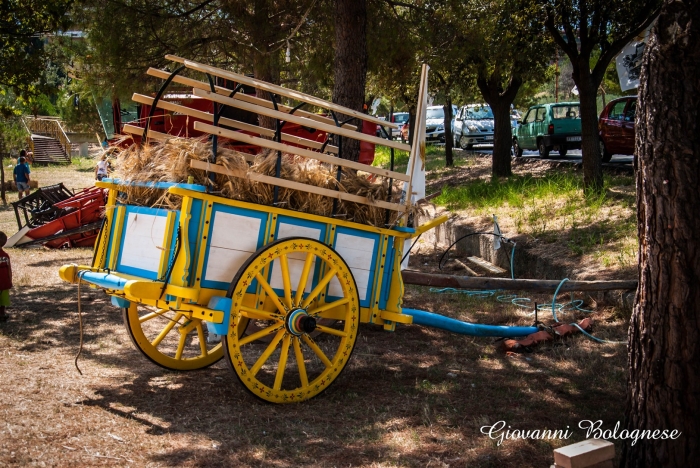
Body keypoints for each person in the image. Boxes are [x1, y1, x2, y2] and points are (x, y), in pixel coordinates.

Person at [0, 232, 11, 322]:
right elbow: (9, 270)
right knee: (3, 299)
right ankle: (2, 314)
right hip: (4, 281)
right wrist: (10, 281)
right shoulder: (5, 256)